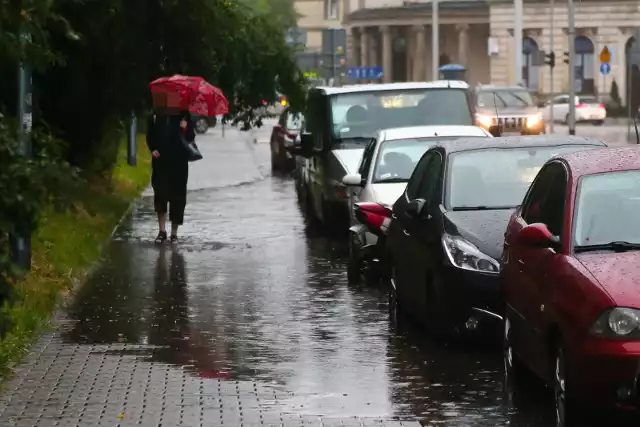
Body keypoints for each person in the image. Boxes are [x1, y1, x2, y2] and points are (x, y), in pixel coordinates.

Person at [146, 108, 195, 243]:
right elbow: (150, 136)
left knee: (177, 197)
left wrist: (184, 129)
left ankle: (174, 233)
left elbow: (191, 138)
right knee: (160, 193)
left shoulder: (184, 115)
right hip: (161, 162)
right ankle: (162, 231)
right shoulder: (156, 115)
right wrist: (153, 149)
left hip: (179, 163)